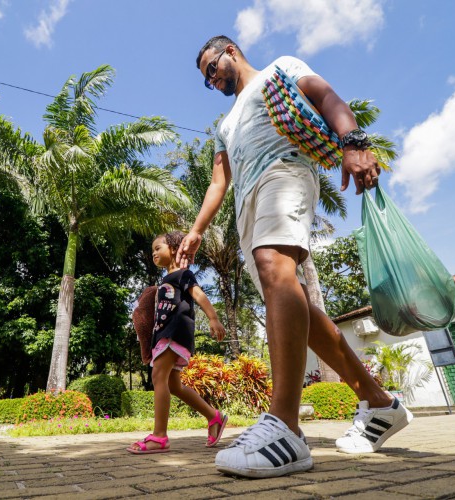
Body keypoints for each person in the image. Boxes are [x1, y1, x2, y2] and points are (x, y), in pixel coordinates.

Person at [178, 35, 412, 477]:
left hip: (284, 171)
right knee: (294, 300)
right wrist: (195, 231)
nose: (212, 81)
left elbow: (325, 96)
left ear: (230, 51)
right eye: (206, 80)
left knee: (274, 267)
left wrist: (355, 142)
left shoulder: (279, 68)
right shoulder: (225, 126)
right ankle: (381, 404)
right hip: (247, 203)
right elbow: (218, 182)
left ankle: (285, 425)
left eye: (212, 69)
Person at [127, 231, 229, 454]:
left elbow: (198, 294)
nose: (153, 253)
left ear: (173, 249)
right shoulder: (165, 280)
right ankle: (215, 417)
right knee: (173, 385)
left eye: (158, 248)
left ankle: (160, 437)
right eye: (152, 250)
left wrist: (213, 318)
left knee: (158, 376)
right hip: (163, 334)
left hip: (175, 332)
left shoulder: (183, 274)